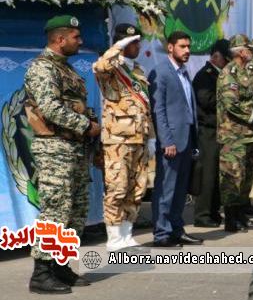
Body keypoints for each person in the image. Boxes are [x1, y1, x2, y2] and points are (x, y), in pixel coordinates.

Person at [24, 15, 99, 293]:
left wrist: (91, 124)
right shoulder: (42, 68)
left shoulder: (66, 69)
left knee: (76, 210)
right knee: (55, 209)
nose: (80, 41)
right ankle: (41, 274)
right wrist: (86, 126)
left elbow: (76, 105)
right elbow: (50, 108)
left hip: (74, 148)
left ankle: (60, 265)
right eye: (75, 37)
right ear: (59, 39)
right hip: (54, 148)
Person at [92, 23, 152, 251]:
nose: (137, 46)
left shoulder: (138, 70)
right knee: (117, 188)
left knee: (136, 189)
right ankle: (114, 238)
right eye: (133, 42)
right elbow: (101, 67)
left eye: (137, 42)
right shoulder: (110, 68)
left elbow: (145, 107)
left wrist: (152, 137)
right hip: (117, 139)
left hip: (140, 137)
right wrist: (118, 46)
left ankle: (127, 235)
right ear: (122, 43)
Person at [148, 31, 203, 247]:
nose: (187, 50)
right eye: (182, 46)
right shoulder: (161, 72)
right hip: (171, 141)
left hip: (186, 138)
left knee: (180, 189)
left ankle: (177, 230)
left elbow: (187, 106)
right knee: (166, 188)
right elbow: (158, 110)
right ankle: (162, 234)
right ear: (170, 47)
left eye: (189, 46)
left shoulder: (183, 72)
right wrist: (166, 140)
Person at [216, 35, 253, 232]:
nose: (252, 52)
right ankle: (231, 218)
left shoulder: (248, 69)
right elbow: (231, 104)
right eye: (249, 49)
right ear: (241, 52)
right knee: (232, 177)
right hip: (232, 137)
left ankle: (241, 214)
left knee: (246, 178)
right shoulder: (228, 73)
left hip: (249, 134)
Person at [191, 39, 231, 228]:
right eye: (226, 59)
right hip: (207, 130)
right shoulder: (205, 76)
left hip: (219, 130)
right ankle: (203, 214)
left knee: (216, 174)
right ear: (216, 57)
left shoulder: (220, 75)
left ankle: (213, 212)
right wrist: (228, 98)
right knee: (207, 174)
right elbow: (206, 100)